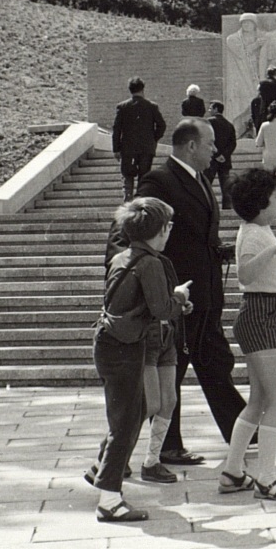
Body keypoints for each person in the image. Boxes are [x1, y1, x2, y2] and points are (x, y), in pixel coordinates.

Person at [134, 118, 245, 467]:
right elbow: (136, 229)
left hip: (205, 292)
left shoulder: (199, 180)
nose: (216, 150)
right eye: (211, 143)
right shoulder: (159, 181)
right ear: (191, 146)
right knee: (174, 368)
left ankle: (242, 426)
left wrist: (218, 250)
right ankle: (164, 445)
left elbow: (196, 236)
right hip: (178, 296)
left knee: (214, 362)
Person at [87, 197, 190, 524]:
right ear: (159, 231)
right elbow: (161, 309)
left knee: (127, 417)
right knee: (127, 422)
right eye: (168, 226)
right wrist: (181, 300)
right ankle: (109, 500)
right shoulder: (152, 263)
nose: (170, 232)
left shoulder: (121, 257)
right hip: (125, 348)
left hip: (107, 343)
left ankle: (103, 479)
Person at [217, 168, 276, 501]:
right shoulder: (255, 234)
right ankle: (266, 479)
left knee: (258, 401)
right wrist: (275, 250)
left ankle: (232, 472)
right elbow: (245, 272)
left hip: (264, 314)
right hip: (260, 315)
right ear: (260, 203)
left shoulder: (260, 229)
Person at [112, 77, 166, 202]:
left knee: (127, 178)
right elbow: (161, 125)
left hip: (127, 149)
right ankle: (141, 203)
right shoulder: (152, 106)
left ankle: (128, 203)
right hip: (146, 148)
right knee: (144, 177)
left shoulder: (122, 107)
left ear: (130, 90)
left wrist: (116, 148)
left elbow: (117, 129)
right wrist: (153, 139)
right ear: (143, 89)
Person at [224, 14, 262, 135]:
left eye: (249, 23)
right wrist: (256, 45)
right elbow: (241, 53)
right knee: (243, 100)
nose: (246, 25)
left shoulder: (259, 35)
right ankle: (239, 130)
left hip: (255, 73)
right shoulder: (232, 38)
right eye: (244, 23)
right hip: (240, 75)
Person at [206, 102, 238, 211]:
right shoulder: (229, 124)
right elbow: (233, 143)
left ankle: (207, 206)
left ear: (215, 109)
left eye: (210, 108)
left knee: (206, 184)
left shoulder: (209, 122)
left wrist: (216, 154)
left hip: (210, 159)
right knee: (226, 185)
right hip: (225, 160)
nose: (209, 110)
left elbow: (207, 139)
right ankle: (227, 207)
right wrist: (224, 155)